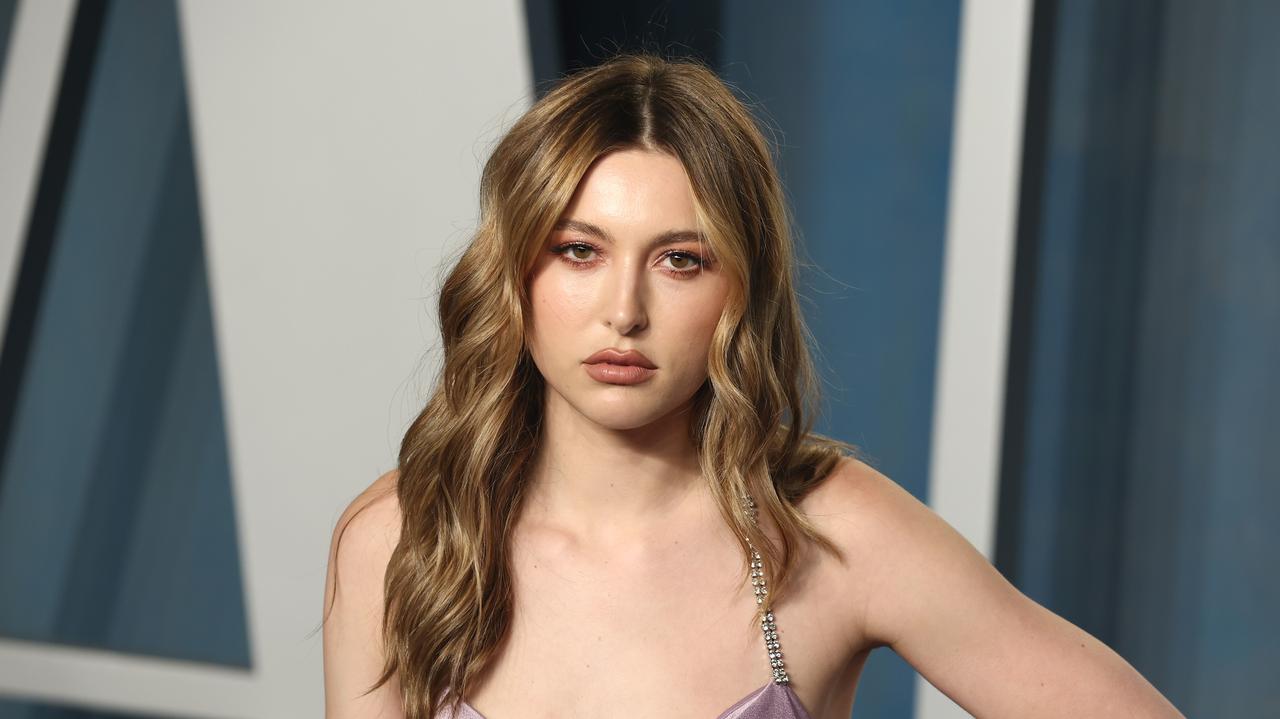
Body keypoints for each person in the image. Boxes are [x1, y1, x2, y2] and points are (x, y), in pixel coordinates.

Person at [321, 52, 1183, 719]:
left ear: (740, 286)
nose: (624, 311)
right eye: (579, 250)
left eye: (680, 260)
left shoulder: (833, 532)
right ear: (515, 272)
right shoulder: (402, 538)